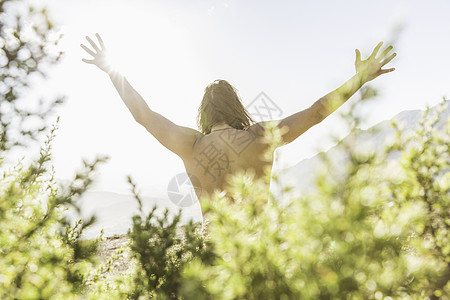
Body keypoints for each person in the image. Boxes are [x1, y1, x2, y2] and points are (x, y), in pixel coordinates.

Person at [81, 34, 396, 207]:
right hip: (255, 250)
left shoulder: (191, 145)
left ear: (204, 113)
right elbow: (315, 113)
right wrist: (358, 80)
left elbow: (143, 116)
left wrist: (112, 71)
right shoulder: (260, 136)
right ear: (237, 108)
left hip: (212, 260)